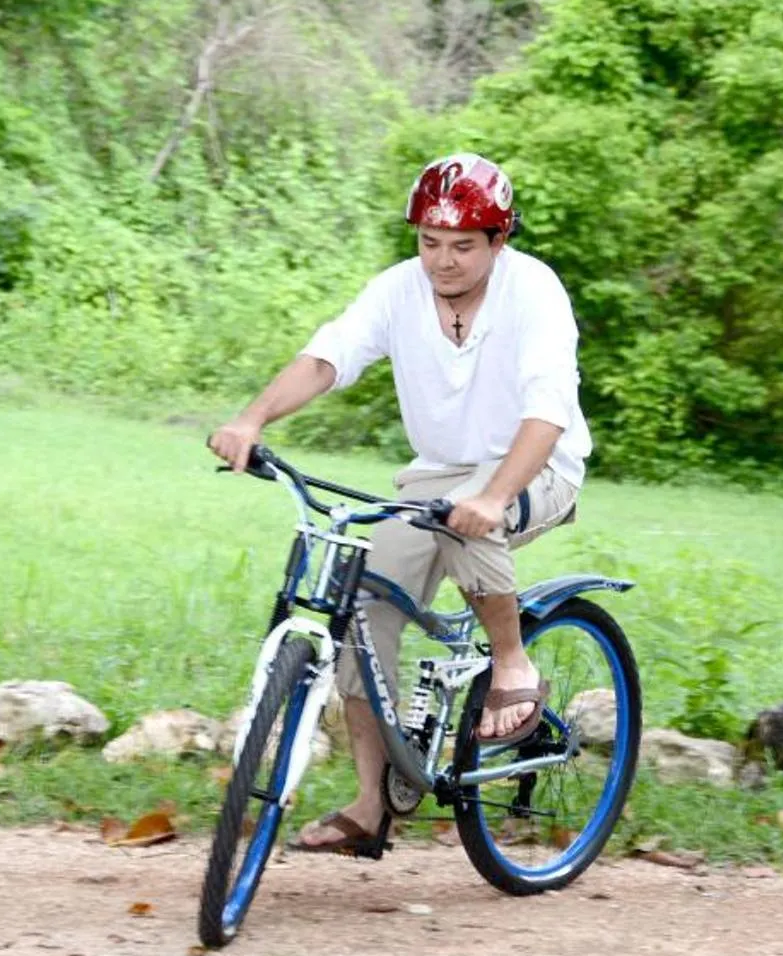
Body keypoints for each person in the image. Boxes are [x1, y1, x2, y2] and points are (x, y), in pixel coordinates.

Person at [207, 153, 592, 858]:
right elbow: (329, 357)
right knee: (360, 595)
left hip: (535, 466)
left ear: (498, 240)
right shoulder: (397, 291)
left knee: (463, 518)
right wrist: (252, 418)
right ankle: (369, 803)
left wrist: (495, 494)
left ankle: (511, 663)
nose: (442, 261)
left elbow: (546, 412)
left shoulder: (534, 291)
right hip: (436, 474)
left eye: (462, 245)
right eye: (428, 241)